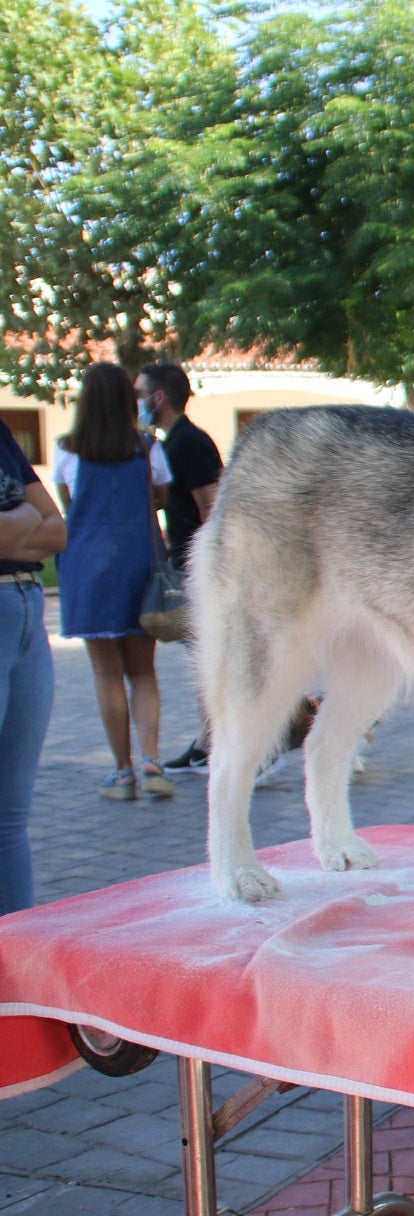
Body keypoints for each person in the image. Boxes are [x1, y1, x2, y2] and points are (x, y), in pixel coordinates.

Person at [53, 362, 177, 801]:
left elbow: (69, 503)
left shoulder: (67, 450)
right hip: (137, 564)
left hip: (86, 567)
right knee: (143, 669)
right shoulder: (147, 447)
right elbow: (160, 496)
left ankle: (123, 774)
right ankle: (152, 760)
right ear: (128, 400)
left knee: (106, 672)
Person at [137, 362, 222, 775]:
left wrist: (210, 568)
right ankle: (207, 741)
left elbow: (212, 506)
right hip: (187, 563)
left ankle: (226, 744)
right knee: (204, 659)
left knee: (212, 659)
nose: (135, 402)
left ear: (158, 398)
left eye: (139, 394)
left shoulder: (189, 443)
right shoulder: (171, 442)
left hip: (200, 568)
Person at [0, 423, 66, 914]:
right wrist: (26, 514)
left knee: (10, 816)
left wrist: (17, 524)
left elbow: (57, 528)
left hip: (26, 608)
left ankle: (12, 948)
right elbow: (39, 518)